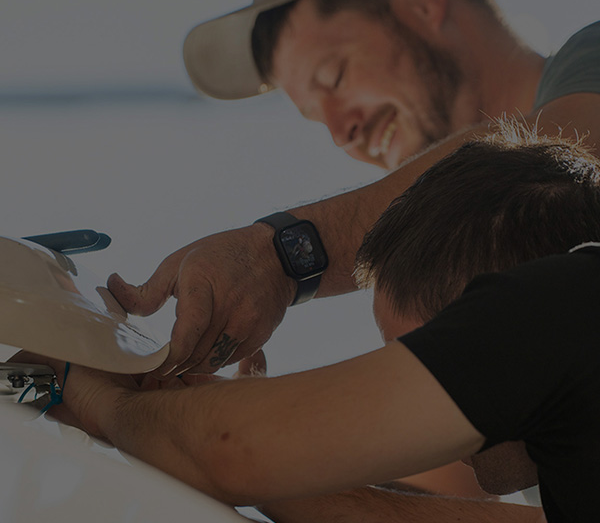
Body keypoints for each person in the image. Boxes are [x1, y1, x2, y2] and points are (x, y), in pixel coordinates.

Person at [18, 123, 600, 522]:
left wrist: (92, 392)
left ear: (503, 311)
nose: (415, 384)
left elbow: (227, 453)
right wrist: (206, 426)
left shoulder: (571, 302)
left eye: (426, 354)